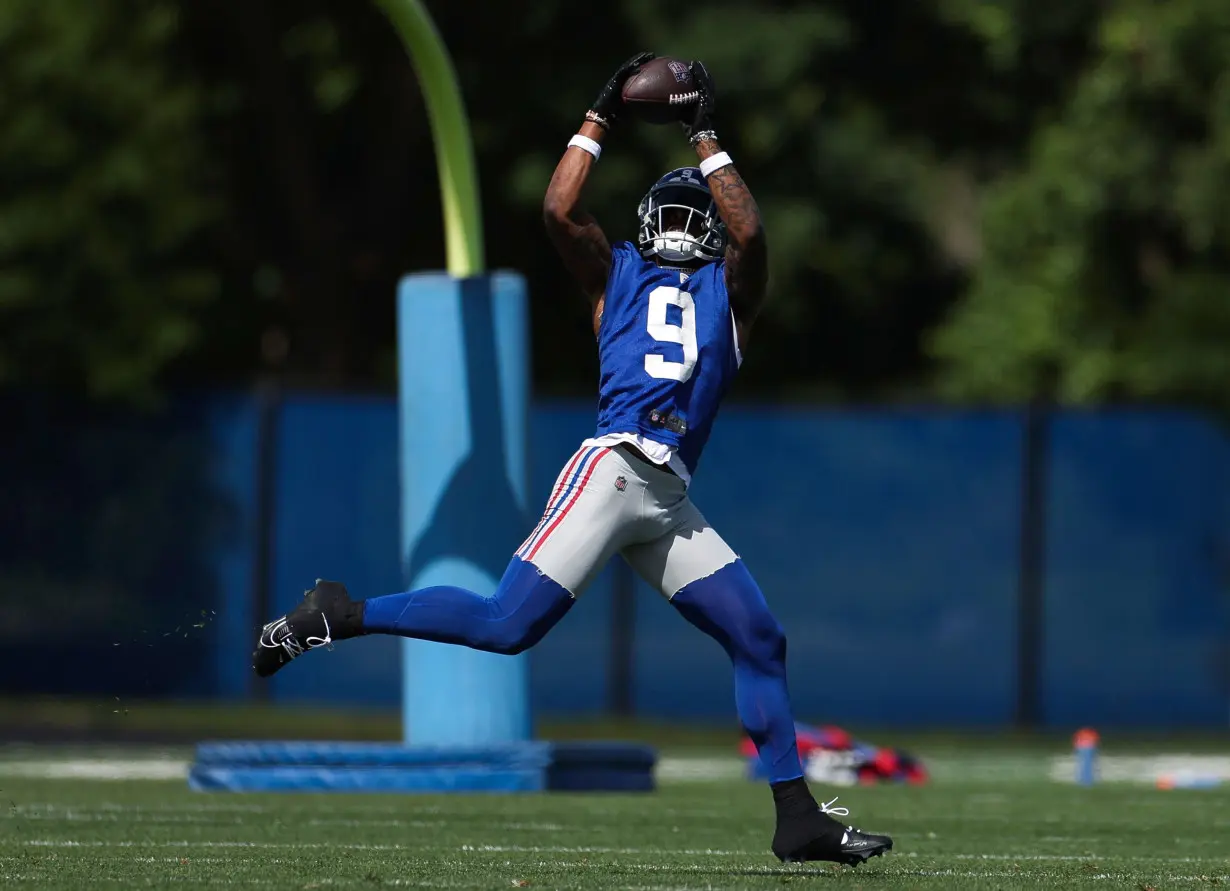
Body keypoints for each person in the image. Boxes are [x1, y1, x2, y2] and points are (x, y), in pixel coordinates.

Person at [252, 53, 893, 867]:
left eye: (687, 211)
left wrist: (699, 133)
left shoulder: (727, 294)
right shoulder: (614, 276)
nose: (677, 223)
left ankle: (796, 818)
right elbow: (559, 210)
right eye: (674, 211)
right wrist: (601, 113)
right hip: (614, 468)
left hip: (664, 495)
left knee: (759, 636)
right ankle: (339, 611)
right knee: (505, 624)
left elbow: (752, 230)